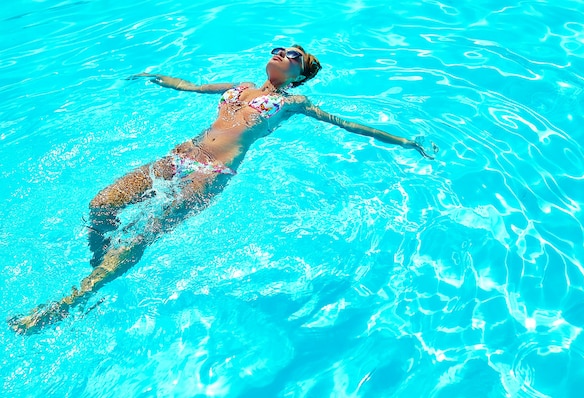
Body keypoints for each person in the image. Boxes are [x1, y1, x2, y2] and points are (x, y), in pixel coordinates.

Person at [8, 45, 435, 334]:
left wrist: (404, 141)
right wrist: (155, 77)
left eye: (293, 56)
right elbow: (190, 86)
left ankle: (61, 307)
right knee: (101, 204)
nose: (281, 54)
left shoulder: (294, 103)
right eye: (280, 49)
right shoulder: (238, 86)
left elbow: (346, 123)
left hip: (211, 173)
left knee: (144, 234)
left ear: (300, 75)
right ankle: (99, 264)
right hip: (180, 156)